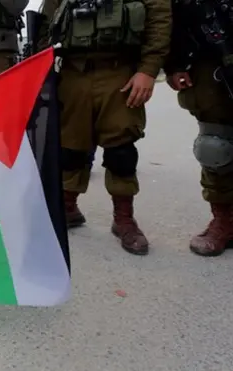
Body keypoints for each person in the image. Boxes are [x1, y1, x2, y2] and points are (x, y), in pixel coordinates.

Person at [39, 0, 171, 255]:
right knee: (69, 149)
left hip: (120, 72)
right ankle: (67, 209)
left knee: (121, 151)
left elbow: (159, 19)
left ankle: (124, 219)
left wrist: (148, 70)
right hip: (72, 73)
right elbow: (46, 21)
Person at [165, 3, 233, 256]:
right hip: (210, 61)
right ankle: (224, 221)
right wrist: (174, 64)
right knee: (215, 146)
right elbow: (172, 16)